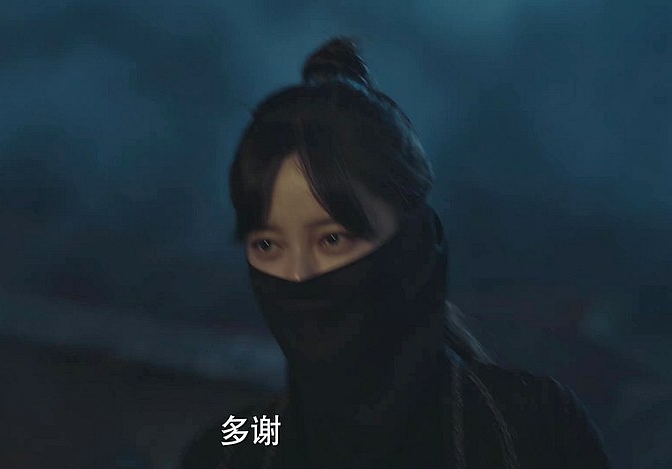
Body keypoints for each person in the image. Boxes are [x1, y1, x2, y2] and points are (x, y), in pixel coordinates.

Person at [181, 37, 611, 469]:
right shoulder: (230, 449)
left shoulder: (531, 424)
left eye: (332, 239)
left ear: (414, 242)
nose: (297, 275)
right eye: (267, 245)